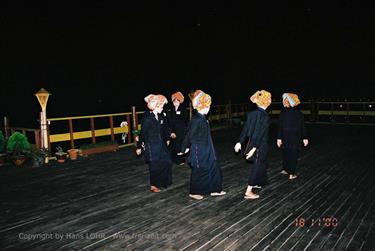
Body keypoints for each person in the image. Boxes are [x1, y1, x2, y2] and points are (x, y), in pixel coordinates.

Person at [180, 90, 226, 200]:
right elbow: (189, 134)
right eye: (208, 106)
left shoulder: (203, 118)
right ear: (202, 106)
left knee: (214, 167)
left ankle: (215, 189)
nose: (209, 108)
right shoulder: (196, 119)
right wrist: (184, 147)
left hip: (208, 147)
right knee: (199, 169)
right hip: (199, 148)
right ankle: (194, 191)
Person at [234, 90, 272, 199]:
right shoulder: (265, 117)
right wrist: (254, 148)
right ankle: (248, 191)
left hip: (251, 142)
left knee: (262, 163)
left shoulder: (251, 114)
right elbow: (260, 134)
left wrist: (239, 142)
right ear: (267, 102)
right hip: (259, 144)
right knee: (258, 165)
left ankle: (258, 182)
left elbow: (245, 129)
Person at [136, 94, 173, 192]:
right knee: (154, 166)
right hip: (152, 146)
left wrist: (168, 138)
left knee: (167, 162)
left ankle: (162, 181)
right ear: (155, 106)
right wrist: (139, 147)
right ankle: (153, 185)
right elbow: (143, 134)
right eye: (161, 106)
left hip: (162, 145)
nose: (162, 108)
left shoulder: (161, 116)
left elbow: (164, 128)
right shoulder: (148, 119)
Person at [277, 93, 309, 180]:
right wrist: (304, 138)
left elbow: (280, 126)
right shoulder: (298, 113)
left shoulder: (283, 113)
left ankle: (286, 169)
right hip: (295, 137)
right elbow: (302, 127)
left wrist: (279, 138)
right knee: (292, 155)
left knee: (286, 153)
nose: (284, 102)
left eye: (285, 100)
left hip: (286, 136)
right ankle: (291, 173)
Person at [166, 92, 188, 165]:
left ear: (180, 101)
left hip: (181, 131)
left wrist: (186, 131)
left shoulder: (183, 109)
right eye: (174, 100)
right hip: (173, 130)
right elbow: (168, 121)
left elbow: (185, 120)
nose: (175, 102)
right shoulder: (170, 110)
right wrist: (171, 131)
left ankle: (181, 159)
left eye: (177, 100)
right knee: (173, 145)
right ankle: (173, 159)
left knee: (180, 145)